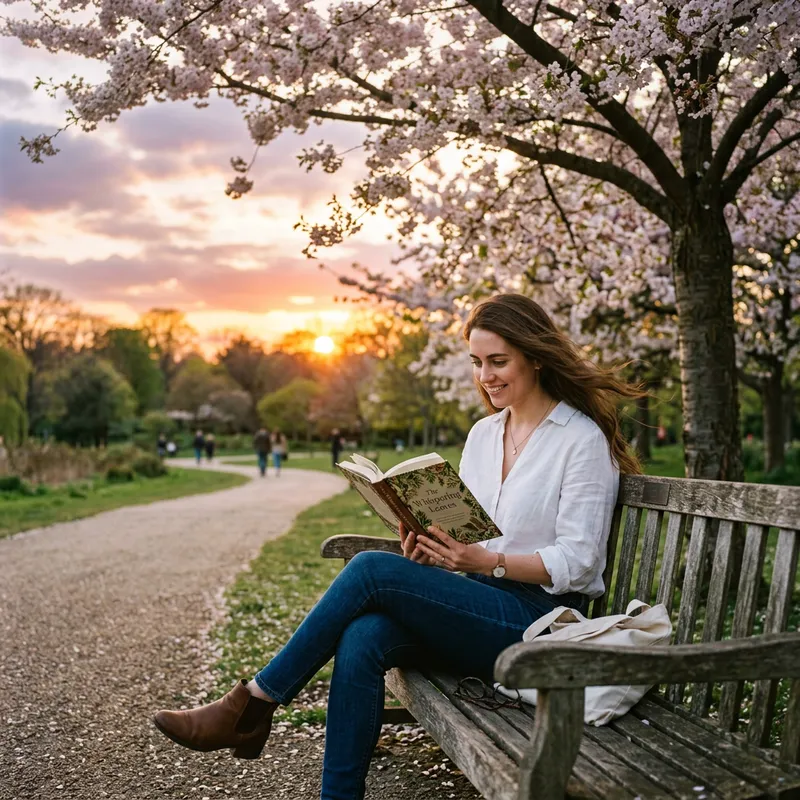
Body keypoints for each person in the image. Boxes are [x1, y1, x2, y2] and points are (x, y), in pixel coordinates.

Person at [153, 293, 642, 800]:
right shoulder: (483, 435)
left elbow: (580, 563)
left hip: (540, 625)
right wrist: (433, 548)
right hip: (477, 608)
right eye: (477, 363)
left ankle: (253, 705)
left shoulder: (579, 439)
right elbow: (472, 534)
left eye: (499, 361)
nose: (486, 377)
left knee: (369, 569)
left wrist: (486, 562)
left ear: (536, 356)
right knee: (364, 636)